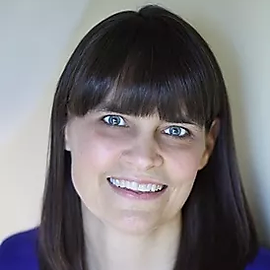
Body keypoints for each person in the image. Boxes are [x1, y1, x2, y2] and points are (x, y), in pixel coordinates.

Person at [0, 4, 269, 270]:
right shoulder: (11, 260)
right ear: (66, 127)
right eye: (115, 121)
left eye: (175, 130)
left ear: (207, 147)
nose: (143, 158)